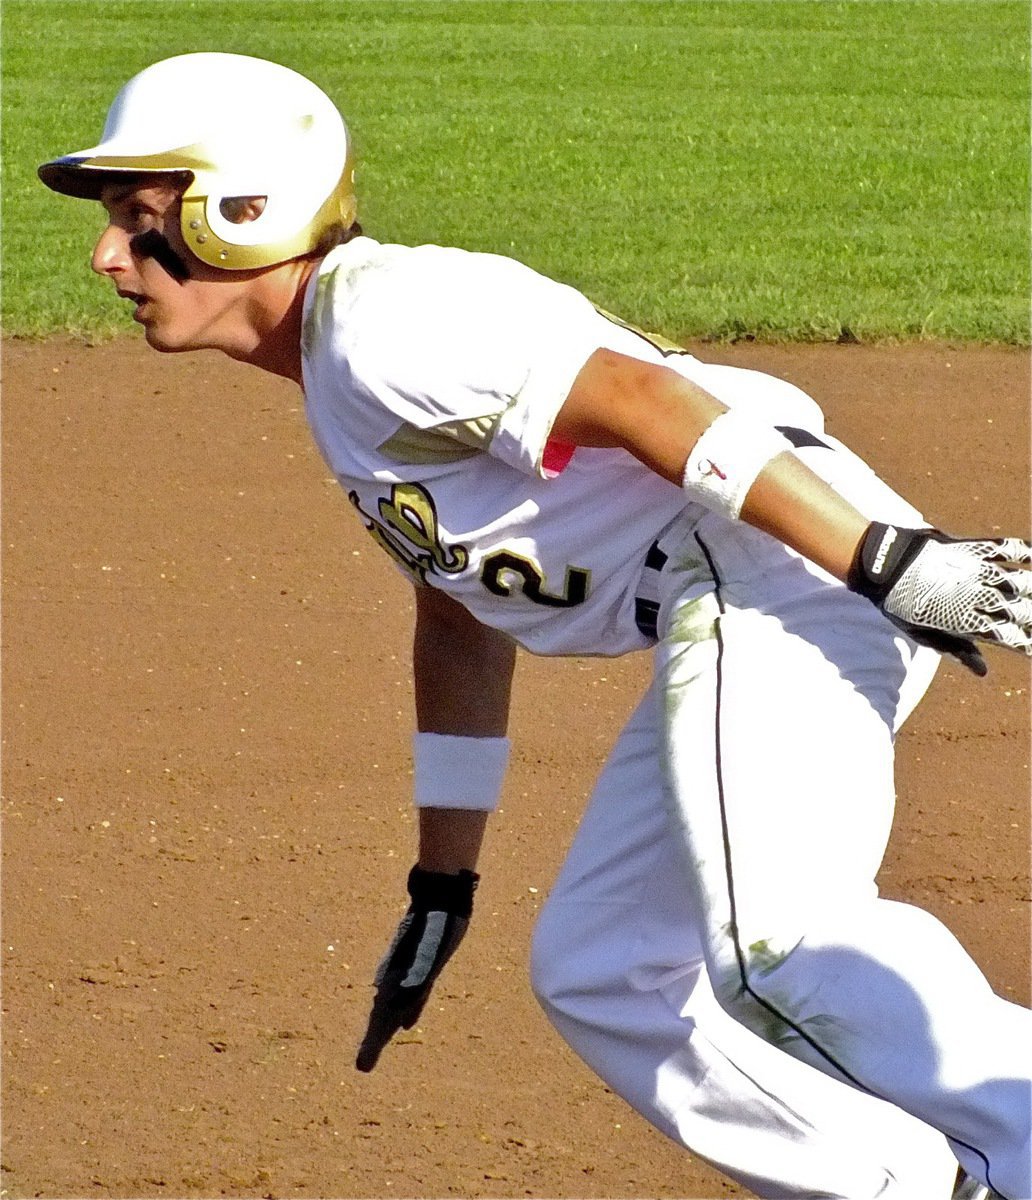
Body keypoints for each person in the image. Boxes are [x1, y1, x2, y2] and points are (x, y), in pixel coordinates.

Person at [38, 52, 1031, 1200]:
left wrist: (890, 562)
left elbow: (652, 401)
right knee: (603, 971)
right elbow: (458, 610)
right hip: (746, 583)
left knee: (780, 945)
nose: (109, 256)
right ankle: (912, 1187)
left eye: (142, 219)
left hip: (776, 562)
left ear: (242, 211)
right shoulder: (340, 376)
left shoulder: (384, 322)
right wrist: (442, 881)